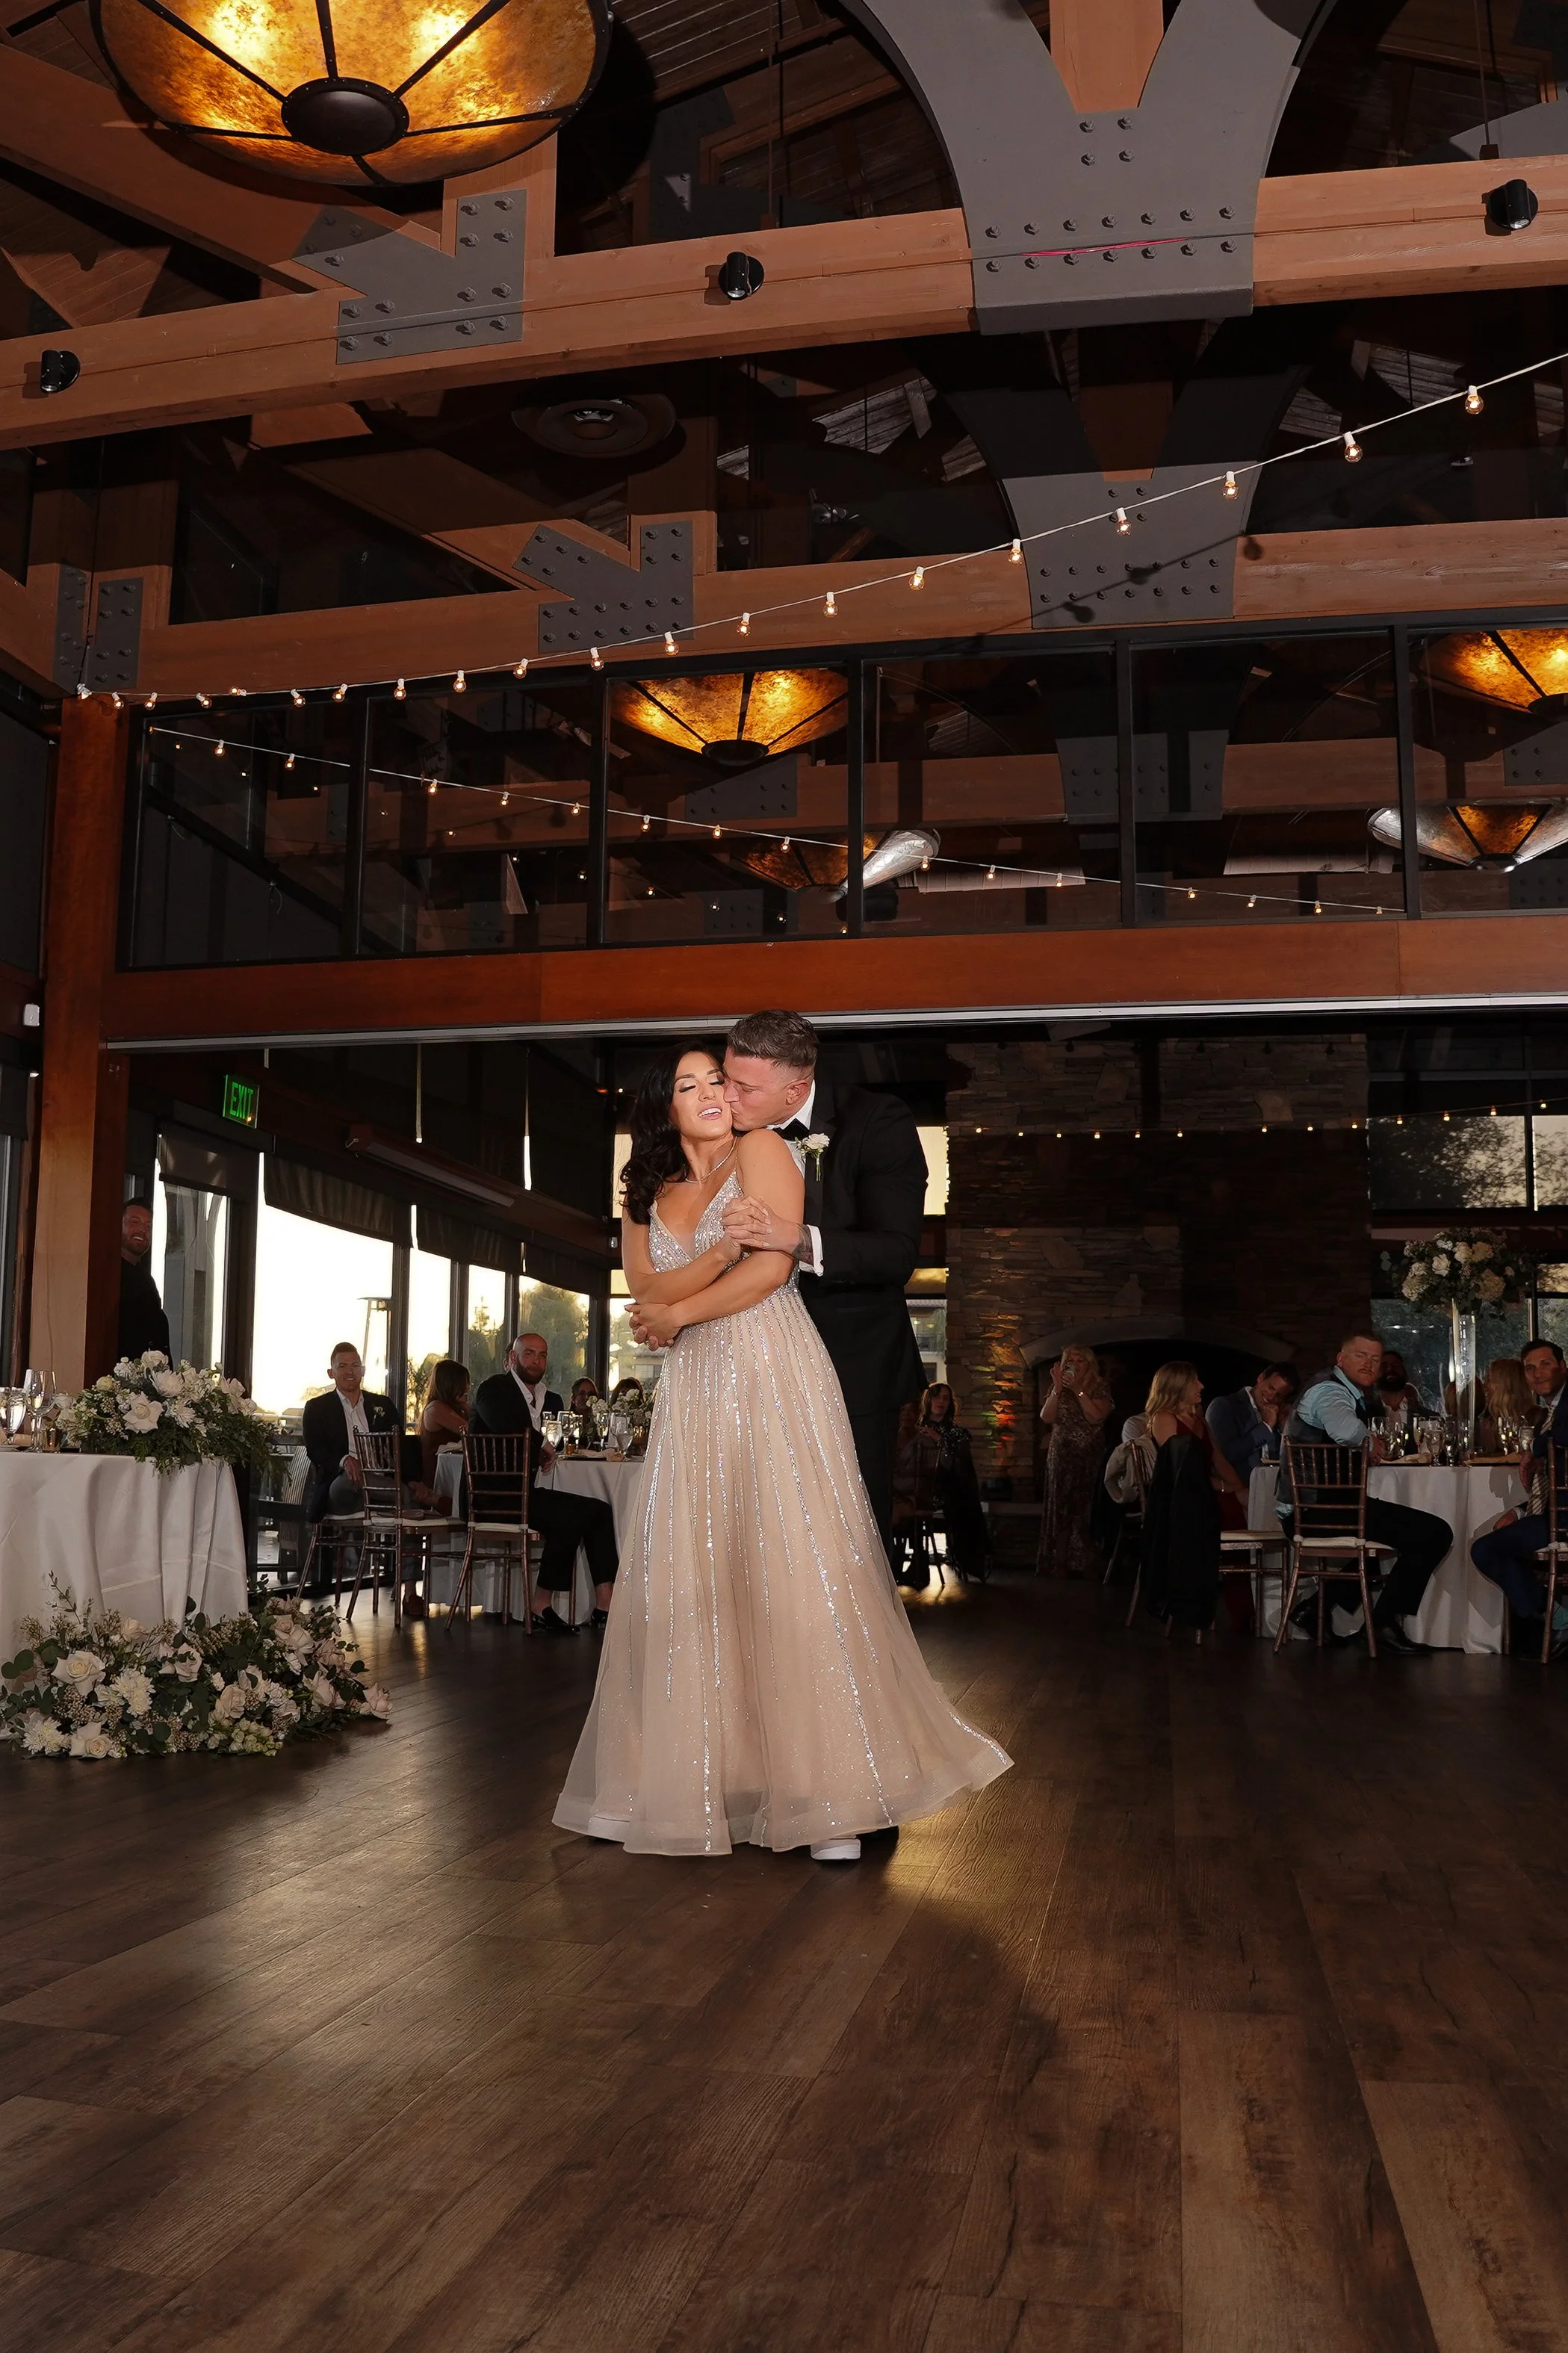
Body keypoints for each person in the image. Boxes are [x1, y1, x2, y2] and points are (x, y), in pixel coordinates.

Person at [554, 1041, 1009, 1863]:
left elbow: (767, 1275)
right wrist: (692, 1284)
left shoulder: (763, 1150)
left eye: (721, 1080)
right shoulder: (645, 1189)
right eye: (694, 1083)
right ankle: (685, 1784)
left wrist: (688, 1301)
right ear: (662, 1106)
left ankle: (828, 1797)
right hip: (695, 1391)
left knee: (797, 1566)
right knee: (694, 1575)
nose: (715, 1093)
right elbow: (642, 1290)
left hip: (770, 1368)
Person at [714, 1008, 928, 1566]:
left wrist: (793, 1238)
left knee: (848, 1535)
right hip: (746, 1361)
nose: (728, 1096)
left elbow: (895, 1252)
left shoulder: (877, 1121)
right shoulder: (716, 1132)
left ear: (797, 1090)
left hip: (849, 1363)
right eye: (726, 1077)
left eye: (745, 1087)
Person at [1283, 1327, 1452, 1655]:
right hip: (1317, 1511)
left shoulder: (1347, 1392)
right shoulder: (1328, 1392)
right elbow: (1346, 1430)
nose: (1369, 1364)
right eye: (1361, 1356)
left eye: (1375, 1359)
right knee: (1435, 1533)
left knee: (1394, 1541)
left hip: (1323, 1507)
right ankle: (1383, 1624)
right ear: (1341, 1358)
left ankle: (1314, 1610)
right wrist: (1369, 1440)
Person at [470, 1332, 619, 1630]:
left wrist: (551, 1448)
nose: (537, 1360)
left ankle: (603, 1605)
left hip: (527, 1493)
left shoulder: (547, 1397)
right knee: (576, 1516)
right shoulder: (493, 1388)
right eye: (529, 1354)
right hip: (495, 1497)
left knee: (594, 1512)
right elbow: (507, 1426)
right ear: (513, 1358)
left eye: (542, 1355)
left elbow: (553, 1440)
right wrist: (542, 1447)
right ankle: (545, 1605)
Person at [303, 1343, 432, 1614]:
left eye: (355, 1366)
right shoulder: (317, 1408)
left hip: (380, 1485)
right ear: (331, 1372)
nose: (350, 1372)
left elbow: (402, 1446)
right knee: (396, 1497)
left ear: (362, 1370)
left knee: (404, 1496)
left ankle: (410, 1593)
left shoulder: (381, 1405)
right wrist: (346, 1461)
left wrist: (411, 1478)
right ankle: (399, 1506)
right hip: (341, 1486)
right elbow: (316, 1450)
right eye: (343, 1366)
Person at [1471, 1338, 1568, 1655]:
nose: (1538, 1373)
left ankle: (1559, 1621)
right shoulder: (1551, 1414)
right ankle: (1560, 1619)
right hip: (1555, 1512)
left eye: (1545, 1364)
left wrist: (1534, 1451)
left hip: (1564, 1519)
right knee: (1487, 1547)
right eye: (1530, 1368)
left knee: (1487, 1550)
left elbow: (1565, 1436)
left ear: (1563, 1367)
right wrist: (1522, 1510)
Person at [1141, 1360, 1234, 1632]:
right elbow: (1180, 1472)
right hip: (1183, 1503)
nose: (1202, 1386)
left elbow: (1219, 1459)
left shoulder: (1199, 1419)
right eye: (1195, 1381)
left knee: (1247, 1506)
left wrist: (1239, 1488)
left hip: (1207, 1495)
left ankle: (1248, 1610)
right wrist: (1222, 1488)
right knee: (1232, 1513)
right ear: (1179, 1386)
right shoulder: (1164, 1419)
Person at [893, 1383, 990, 1584]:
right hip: (910, 1489)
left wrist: (940, 1441)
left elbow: (958, 1469)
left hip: (945, 1491)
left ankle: (921, 1563)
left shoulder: (957, 1433)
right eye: (937, 1397)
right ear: (928, 1400)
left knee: (957, 1499)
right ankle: (901, 1564)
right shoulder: (913, 1429)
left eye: (946, 1398)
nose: (941, 1402)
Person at [1036, 1342, 1114, 1577]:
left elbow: (1095, 1417)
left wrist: (1079, 1389)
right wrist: (1058, 1388)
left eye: (1080, 1361)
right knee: (1061, 1505)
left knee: (1085, 1507)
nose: (1075, 1365)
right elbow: (1047, 1418)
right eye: (1070, 1360)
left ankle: (1088, 1561)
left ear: (1089, 1364)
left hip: (1088, 1454)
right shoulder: (1058, 1387)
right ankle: (1059, 1561)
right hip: (1062, 1454)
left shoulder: (1099, 1386)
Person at [1206, 1362, 1297, 1484]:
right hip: (1238, 1490)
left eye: (1279, 1395)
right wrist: (1265, 1427)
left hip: (1271, 1490)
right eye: (1271, 1388)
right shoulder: (1224, 1406)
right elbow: (1225, 1456)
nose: (1271, 1396)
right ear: (1261, 1378)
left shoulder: (1276, 1413)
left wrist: (1284, 1428)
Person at [117, 1200, 171, 1363]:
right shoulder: (107, 1275)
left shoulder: (146, 1280)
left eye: (148, 1226)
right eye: (134, 1222)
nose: (142, 1230)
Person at [417, 1358, 469, 1484]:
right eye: (464, 1383)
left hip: (456, 1468)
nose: (468, 1388)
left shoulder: (454, 1407)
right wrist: (466, 1406)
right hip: (440, 1474)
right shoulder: (436, 1408)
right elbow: (470, 1430)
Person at [1478, 1355, 1537, 1455]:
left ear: (1506, 1384)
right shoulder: (1488, 1424)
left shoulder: (1536, 1419)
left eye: (1489, 1379)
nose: (1484, 1385)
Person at [1376, 1351, 1427, 1424]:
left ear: (1405, 1372)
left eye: (1396, 1365)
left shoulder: (1428, 1417)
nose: (1390, 1369)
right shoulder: (1363, 1415)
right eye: (1384, 1366)